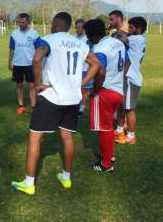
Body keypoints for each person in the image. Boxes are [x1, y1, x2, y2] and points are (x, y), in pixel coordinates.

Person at [11, 12, 100, 194]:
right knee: (67, 137)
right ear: (69, 26)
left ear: (55, 24)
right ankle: (66, 178)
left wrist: (36, 84)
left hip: (51, 96)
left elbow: (36, 58)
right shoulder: (80, 43)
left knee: (35, 138)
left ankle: (29, 184)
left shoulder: (48, 39)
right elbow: (96, 64)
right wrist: (80, 84)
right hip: (72, 98)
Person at [84, 19, 128, 172]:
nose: (87, 38)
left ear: (93, 35)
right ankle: (110, 155)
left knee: (104, 129)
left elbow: (101, 72)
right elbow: (126, 63)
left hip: (105, 91)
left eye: (88, 35)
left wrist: (95, 90)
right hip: (118, 90)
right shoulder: (118, 43)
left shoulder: (100, 48)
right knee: (108, 127)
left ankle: (107, 164)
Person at [115, 17, 147, 145]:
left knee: (129, 109)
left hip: (131, 78)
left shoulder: (136, 39)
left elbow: (121, 38)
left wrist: (118, 29)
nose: (129, 29)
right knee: (123, 106)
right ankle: (120, 130)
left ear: (138, 29)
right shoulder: (140, 38)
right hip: (129, 77)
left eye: (131, 27)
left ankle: (131, 136)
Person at [8, 13, 39, 114]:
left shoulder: (34, 34)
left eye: (23, 22)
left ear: (28, 22)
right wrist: (9, 62)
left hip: (30, 64)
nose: (21, 24)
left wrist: (38, 63)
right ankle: (21, 105)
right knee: (19, 85)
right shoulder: (14, 34)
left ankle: (34, 107)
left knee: (32, 86)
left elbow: (39, 49)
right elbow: (12, 49)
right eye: (19, 22)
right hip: (17, 64)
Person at [74, 19, 93, 117]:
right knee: (75, 89)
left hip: (84, 69)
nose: (77, 30)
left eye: (79, 28)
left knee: (84, 90)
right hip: (74, 69)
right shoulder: (72, 38)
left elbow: (89, 56)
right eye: (76, 27)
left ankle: (81, 109)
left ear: (84, 29)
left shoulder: (87, 40)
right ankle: (74, 107)